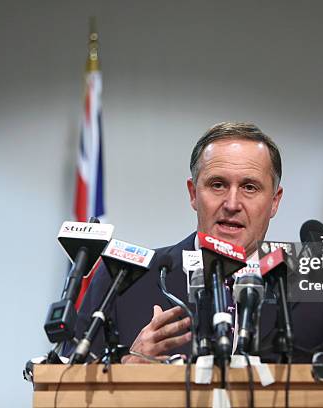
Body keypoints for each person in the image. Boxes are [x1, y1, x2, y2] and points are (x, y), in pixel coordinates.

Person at [67, 122, 284, 362]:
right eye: (218, 185)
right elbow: (64, 387)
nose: (232, 204)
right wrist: (125, 369)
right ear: (193, 193)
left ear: (274, 201)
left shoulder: (310, 295)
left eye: (249, 187)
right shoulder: (120, 279)